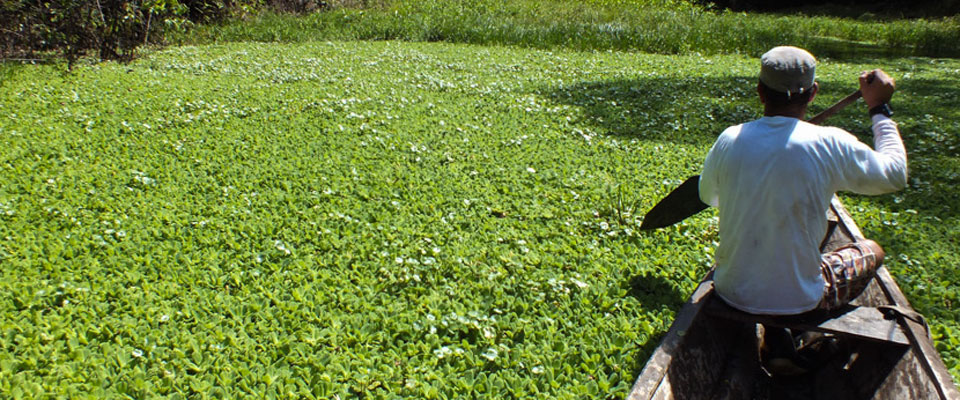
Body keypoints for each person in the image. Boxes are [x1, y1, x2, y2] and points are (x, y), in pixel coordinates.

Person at [697, 46, 907, 372]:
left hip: (731, 291)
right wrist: (879, 107)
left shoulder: (729, 138)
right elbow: (894, 175)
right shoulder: (830, 142)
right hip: (802, 301)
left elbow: (710, 196)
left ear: (760, 91)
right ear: (813, 94)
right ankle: (791, 331)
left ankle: (777, 334)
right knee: (872, 251)